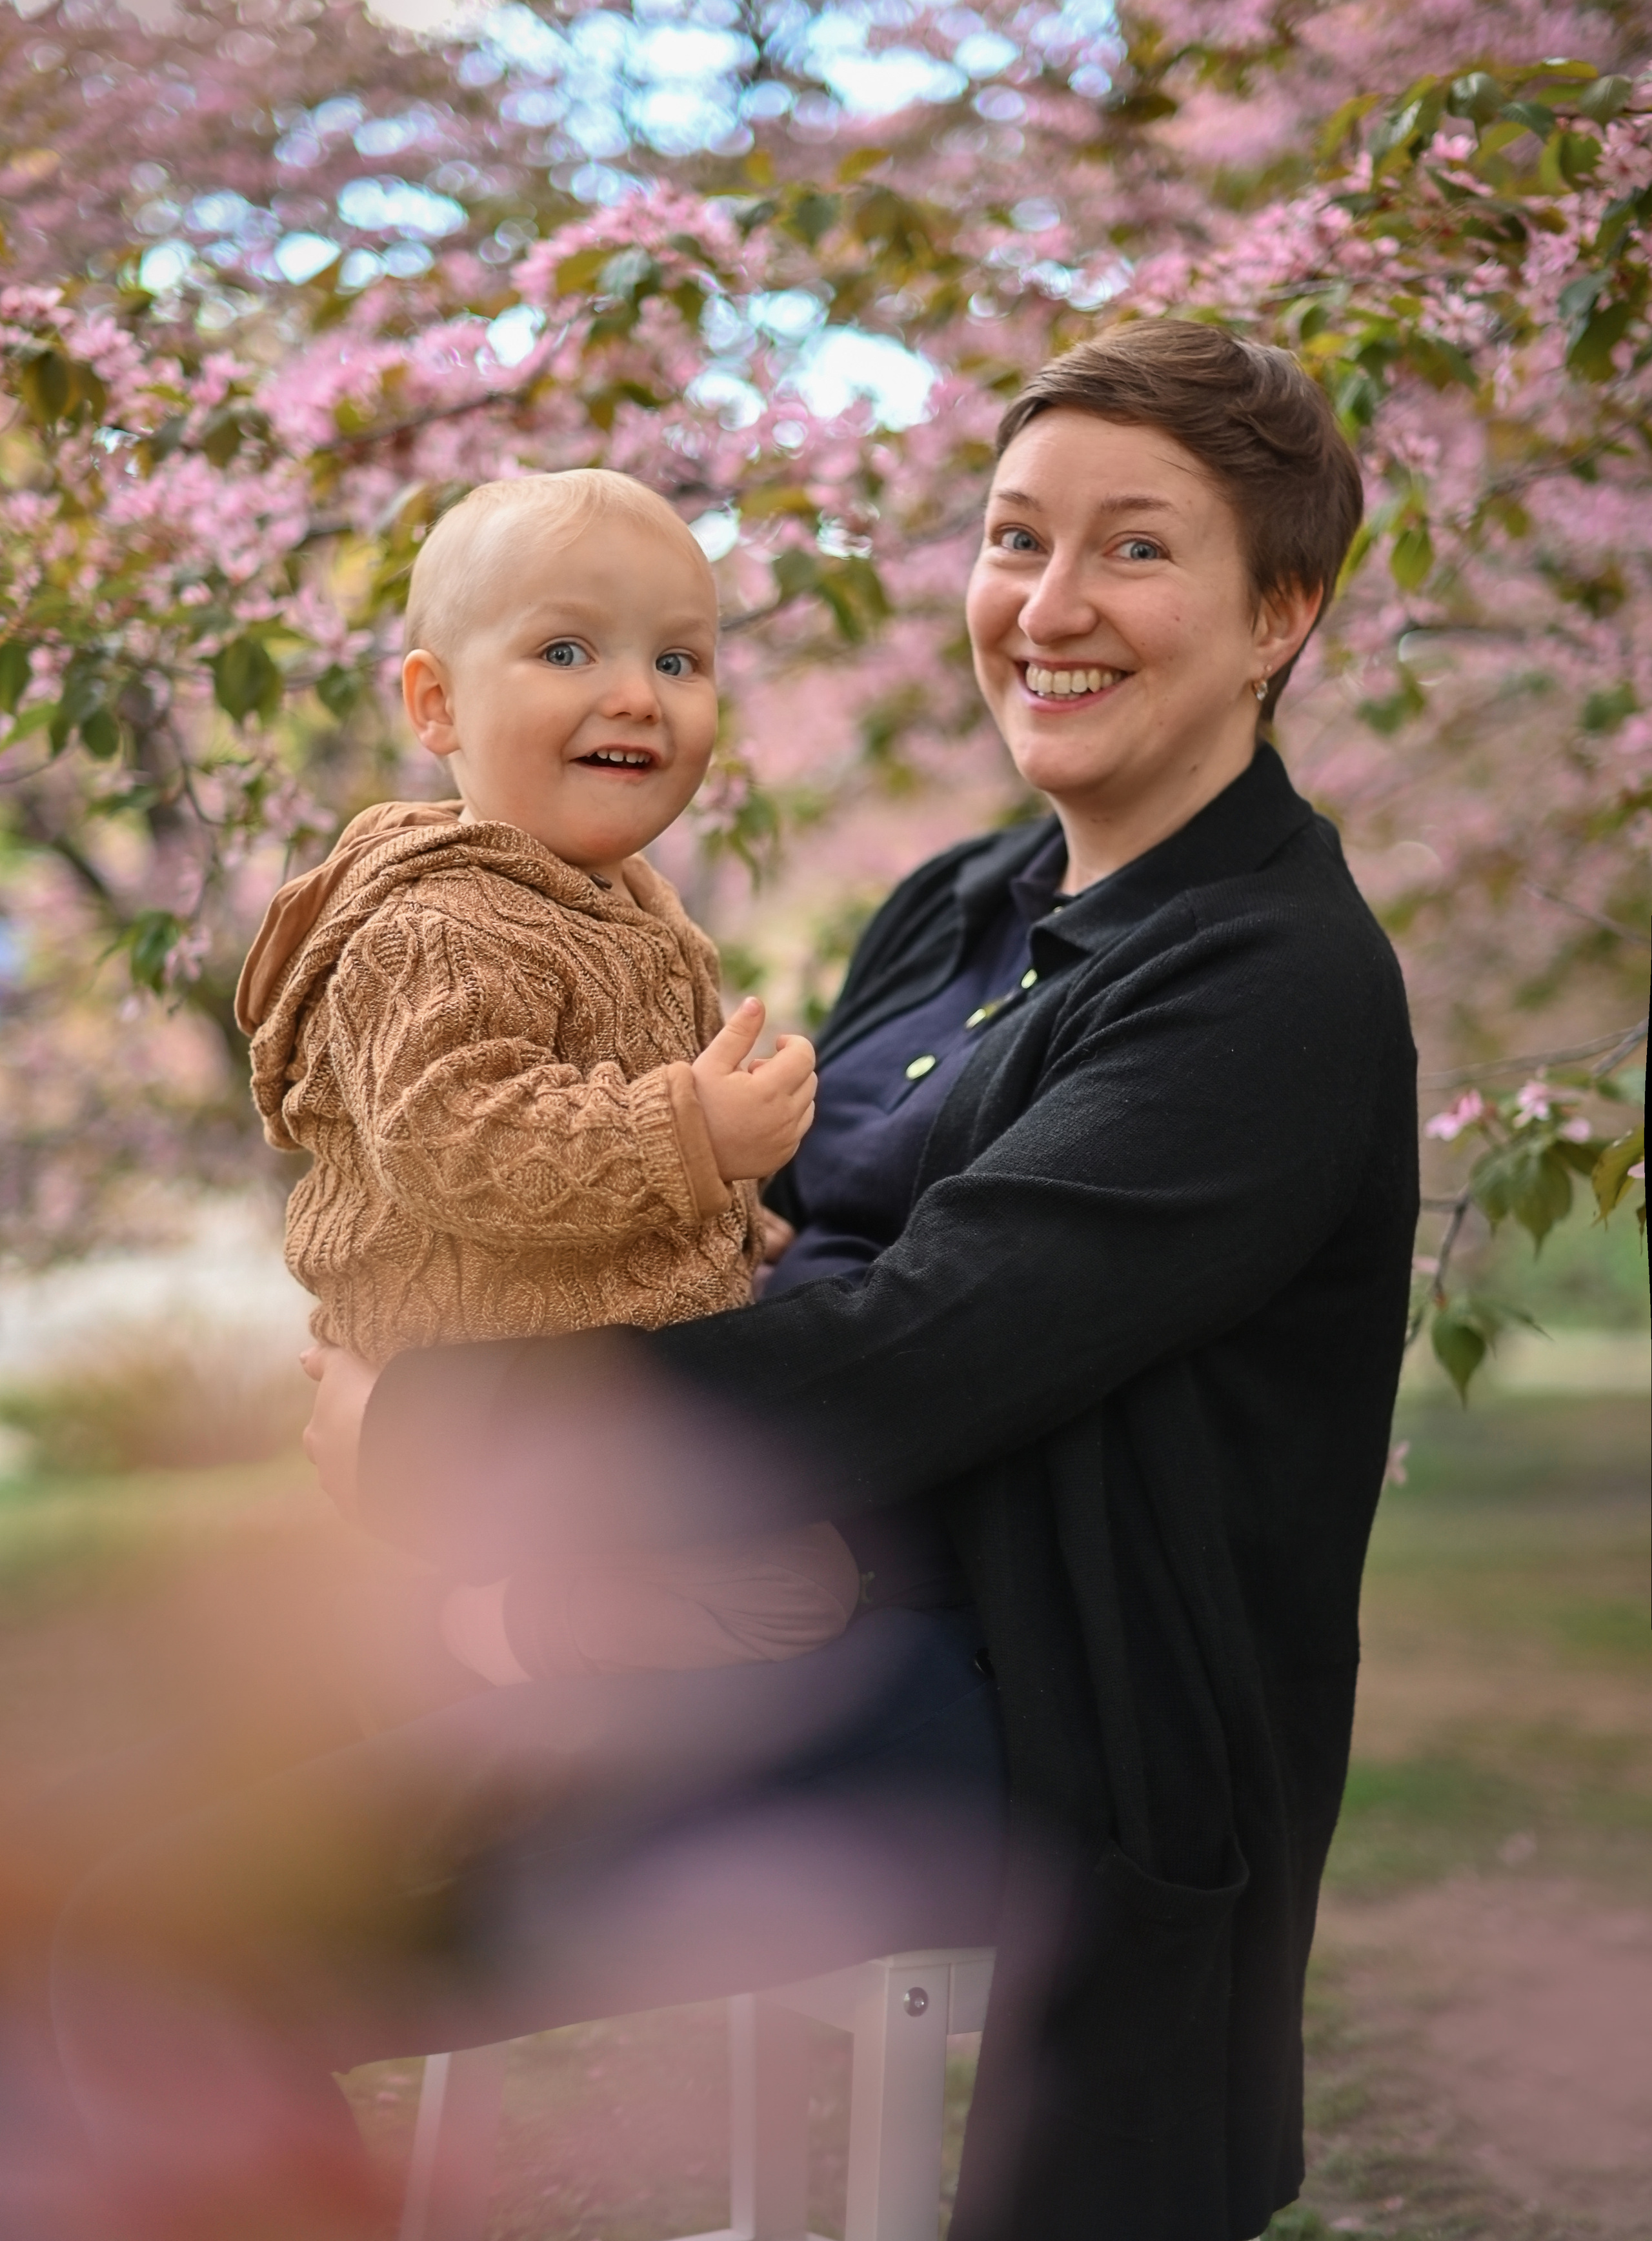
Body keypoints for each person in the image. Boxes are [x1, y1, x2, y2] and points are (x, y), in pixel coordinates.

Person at [55, 320, 1417, 2241]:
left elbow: (921, 1352)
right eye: (1015, 538)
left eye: (1134, 548)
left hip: (1019, 1696)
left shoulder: (1266, 982)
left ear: (1280, 613)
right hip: (735, 1599)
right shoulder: (960, 904)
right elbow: (760, 1246)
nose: (1049, 607)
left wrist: (449, 1432)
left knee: (156, 1938)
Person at [235, 467, 858, 1684]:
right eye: (566, 651)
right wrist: (694, 1134)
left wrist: (738, 1222)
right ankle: (481, 1641)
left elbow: (601, 1126)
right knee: (796, 1587)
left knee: (804, 1563)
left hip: (566, 1381)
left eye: (678, 660)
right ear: (437, 705)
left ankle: (534, 1660)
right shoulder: (440, 926)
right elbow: (458, 1141)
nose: (636, 694)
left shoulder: (615, 905)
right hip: (484, 1386)